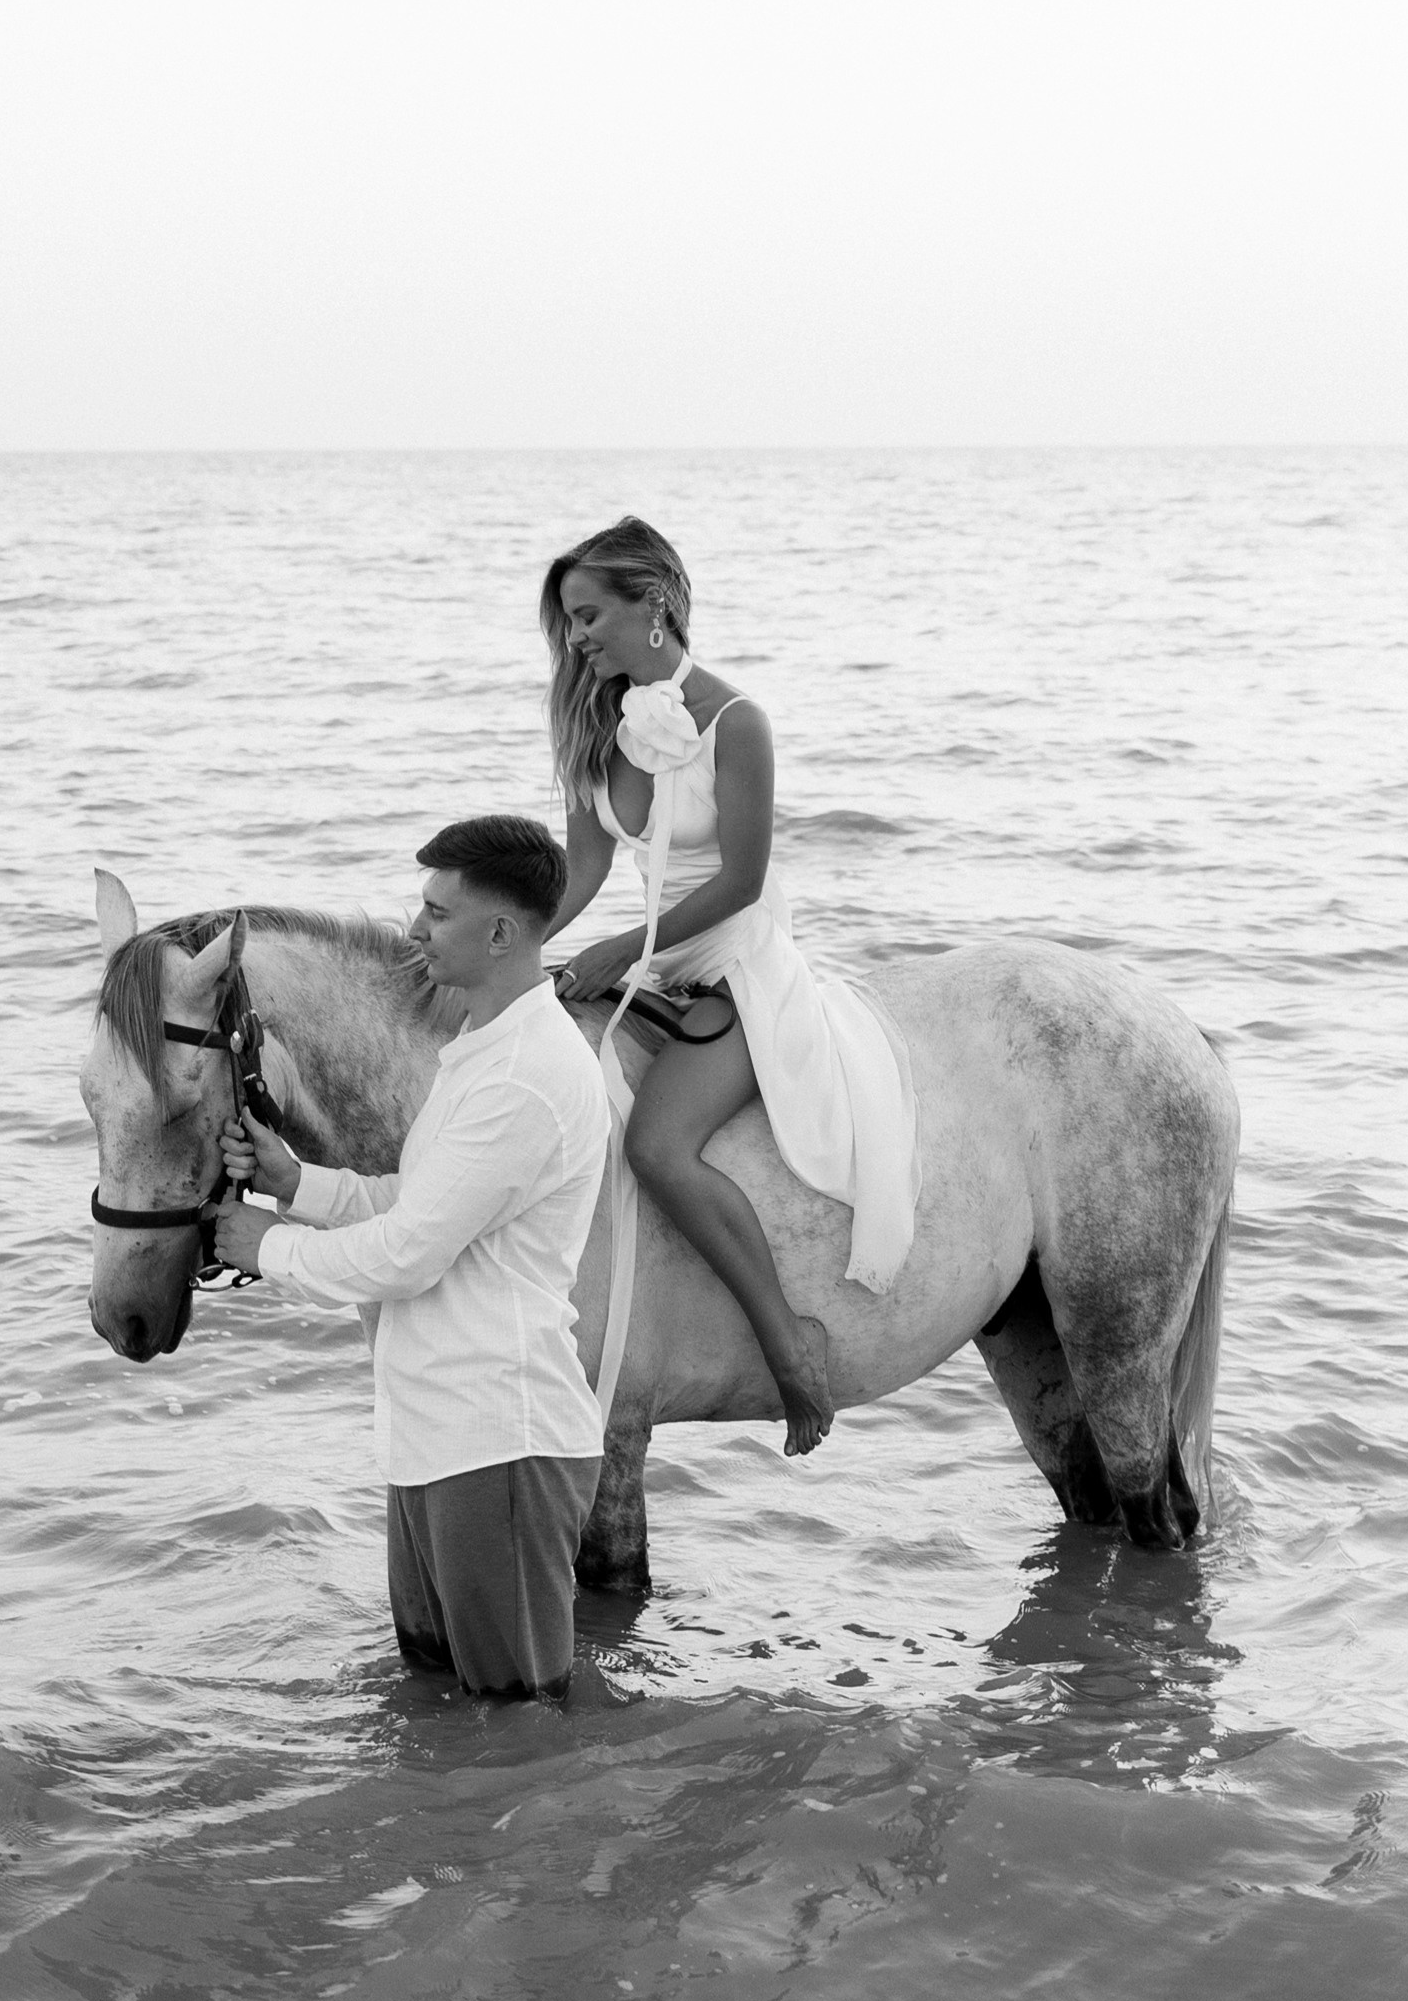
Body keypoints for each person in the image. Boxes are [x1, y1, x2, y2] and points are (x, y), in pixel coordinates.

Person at [540, 515, 919, 1458]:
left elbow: (742, 881)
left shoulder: (736, 722)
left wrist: (621, 949)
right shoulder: (596, 725)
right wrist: (504, 952)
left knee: (657, 1146)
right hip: (657, 965)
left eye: (588, 616)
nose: (576, 638)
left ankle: (790, 1343)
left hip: (739, 960)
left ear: (654, 604)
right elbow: (581, 871)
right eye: (569, 622)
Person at [208, 814, 609, 1701]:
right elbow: (417, 1202)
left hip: (498, 1442)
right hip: (436, 1435)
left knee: (517, 1721)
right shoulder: (479, 1054)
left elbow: (408, 1255)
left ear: (499, 934)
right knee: (433, 1700)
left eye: (437, 912)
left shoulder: (524, 1076)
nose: (415, 929)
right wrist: (298, 1183)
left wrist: (268, 1248)